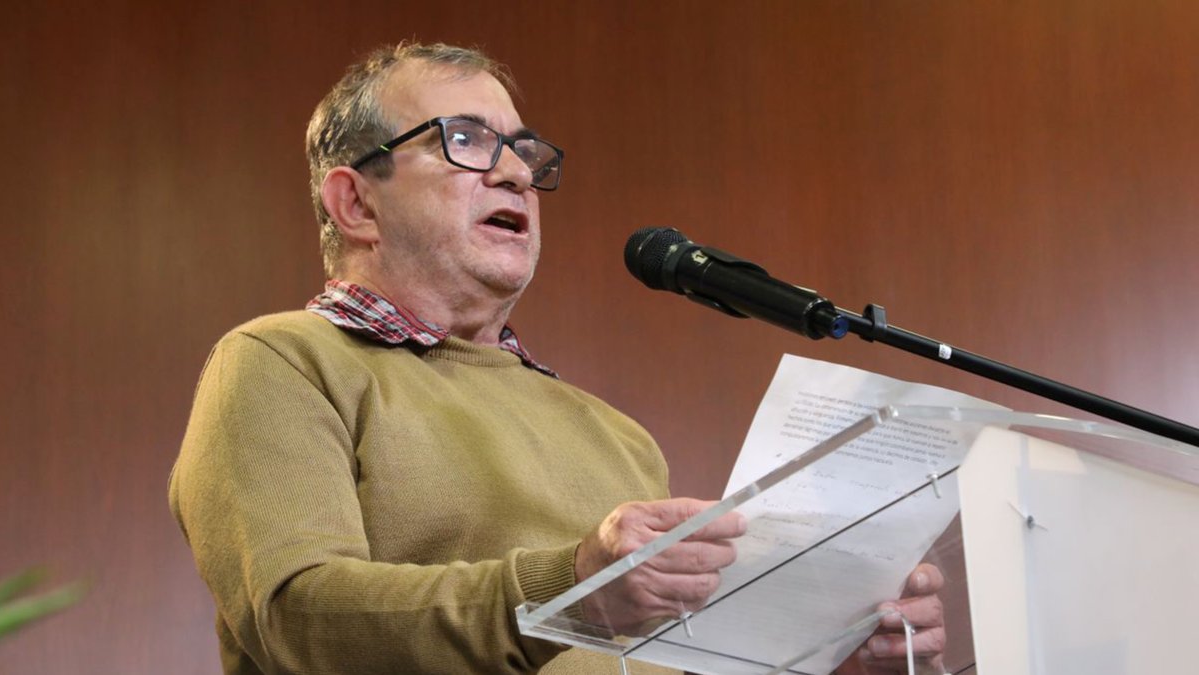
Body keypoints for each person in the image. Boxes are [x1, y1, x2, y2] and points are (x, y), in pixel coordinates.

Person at [168, 42, 946, 675]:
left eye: (522, 151)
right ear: (357, 203)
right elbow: (298, 620)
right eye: (465, 140)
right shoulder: (282, 362)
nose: (515, 172)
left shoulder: (615, 434)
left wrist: (821, 660)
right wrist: (573, 585)